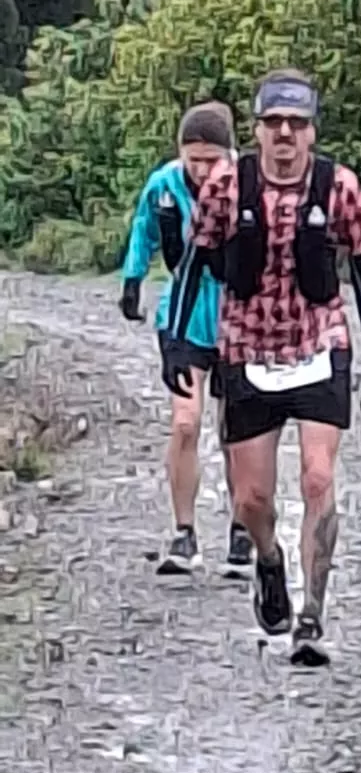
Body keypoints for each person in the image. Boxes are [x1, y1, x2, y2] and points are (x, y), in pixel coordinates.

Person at [163, 68, 361, 667]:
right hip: (246, 347)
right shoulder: (224, 189)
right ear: (258, 130)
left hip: (320, 343)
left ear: (312, 132)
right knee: (252, 499)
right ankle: (269, 560)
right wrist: (177, 345)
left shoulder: (339, 187)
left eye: (296, 124)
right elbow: (193, 266)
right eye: (273, 124)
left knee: (318, 478)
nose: (285, 135)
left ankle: (312, 613)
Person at [119, 101, 252, 578]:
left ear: (229, 154)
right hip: (183, 313)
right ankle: (184, 532)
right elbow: (143, 231)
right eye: (192, 159)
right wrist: (133, 279)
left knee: (237, 427)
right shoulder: (164, 185)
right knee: (185, 422)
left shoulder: (249, 186)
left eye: (211, 160)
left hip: (240, 314)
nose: (201, 169)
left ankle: (242, 529)